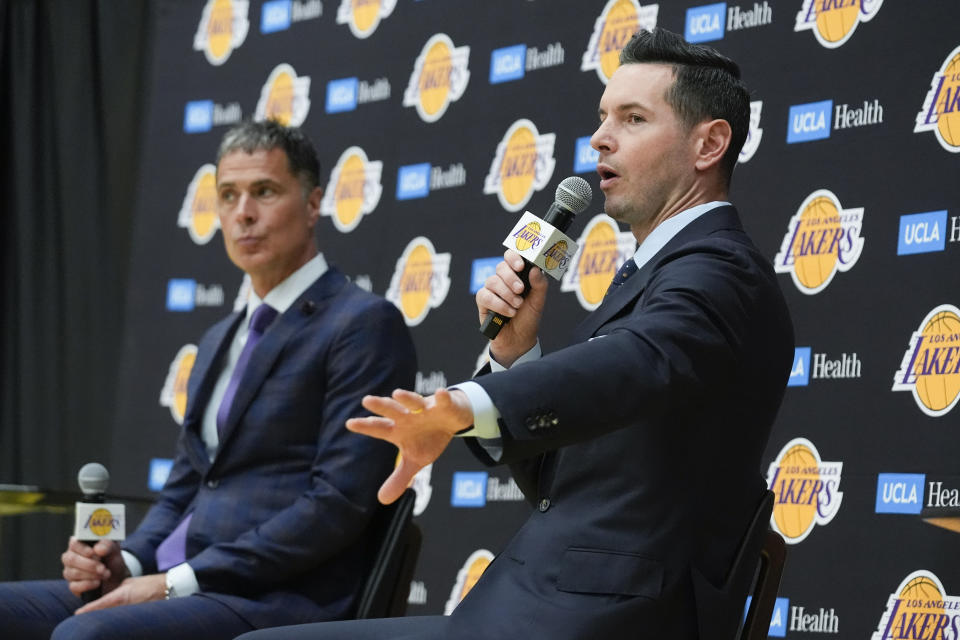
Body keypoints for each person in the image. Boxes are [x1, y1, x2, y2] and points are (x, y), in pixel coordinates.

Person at [238, 28, 794, 640]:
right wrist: (512, 352)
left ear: (709, 143)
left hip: (602, 620)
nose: (600, 137)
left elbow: (637, 362)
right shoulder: (657, 274)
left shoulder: (721, 271)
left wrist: (461, 406)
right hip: (527, 609)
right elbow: (558, 483)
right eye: (602, 116)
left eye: (633, 118)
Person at [0, 120, 417, 640]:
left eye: (264, 192)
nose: (243, 213)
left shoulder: (362, 324)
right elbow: (181, 492)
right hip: (184, 586)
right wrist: (124, 564)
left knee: (86, 637)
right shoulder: (221, 336)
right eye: (228, 195)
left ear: (313, 204)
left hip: (282, 599)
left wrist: (175, 582)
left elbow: (336, 503)